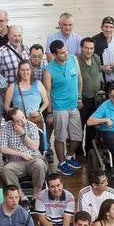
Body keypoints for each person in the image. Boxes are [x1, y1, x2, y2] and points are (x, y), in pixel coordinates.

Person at [43, 38, 84, 174]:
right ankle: (61, 163)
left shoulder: (73, 59)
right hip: (59, 107)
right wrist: (49, 113)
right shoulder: (48, 70)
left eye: (66, 51)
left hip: (73, 105)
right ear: (54, 55)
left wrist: (79, 98)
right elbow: (47, 93)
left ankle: (68, 156)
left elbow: (79, 78)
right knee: (60, 137)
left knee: (77, 136)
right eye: (61, 53)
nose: (65, 54)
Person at [0, 107, 47, 193]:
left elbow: (35, 147)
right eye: (18, 121)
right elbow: (3, 149)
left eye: (23, 117)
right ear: (12, 122)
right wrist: (21, 154)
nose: (23, 121)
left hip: (33, 157)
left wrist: (22, 134)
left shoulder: (31, 126)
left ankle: (36, 194)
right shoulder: (5, 128)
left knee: (40, 165)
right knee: (6, 170)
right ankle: (20, 195)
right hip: (15, 161)